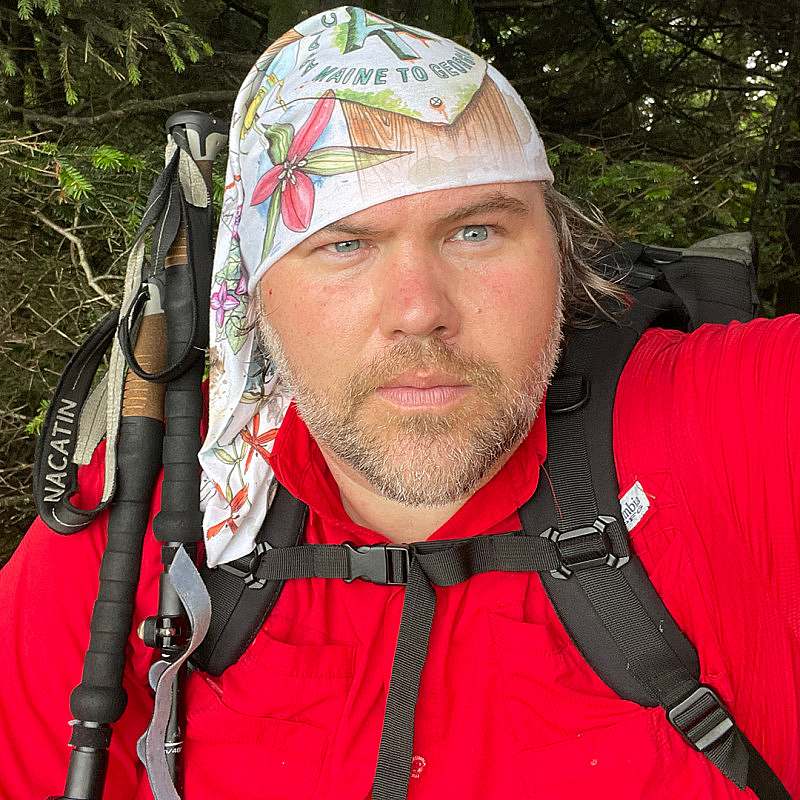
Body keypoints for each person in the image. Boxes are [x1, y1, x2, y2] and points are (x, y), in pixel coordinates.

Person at [1, 6, 798, 799]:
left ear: (558, 256)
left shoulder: (724, 425)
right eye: (344, 244)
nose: (419, 310)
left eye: (476, 232)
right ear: (253, 296)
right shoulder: (156, 509)